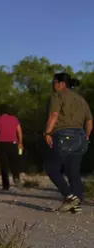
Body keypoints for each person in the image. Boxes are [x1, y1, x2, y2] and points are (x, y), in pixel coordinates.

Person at [44, 72, 93, 213]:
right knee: (73, 171)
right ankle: (76, 205)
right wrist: (87, 136)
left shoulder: (57, 96)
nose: (52, 84)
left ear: (61, 84)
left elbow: (54, 115)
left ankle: (69, 196)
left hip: (64, 136)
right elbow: (89, 120)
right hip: (81, 137)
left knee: (51, 167)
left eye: (54, 81)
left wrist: (47, 132)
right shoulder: (81, 99)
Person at [0, 104, 23, 191]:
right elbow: (19, 131)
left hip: (1, 144)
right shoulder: (14, 119)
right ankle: (16, 178)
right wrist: (20, 143)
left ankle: (6, 185)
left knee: (3, 165)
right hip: (13, 143)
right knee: (14, 163)